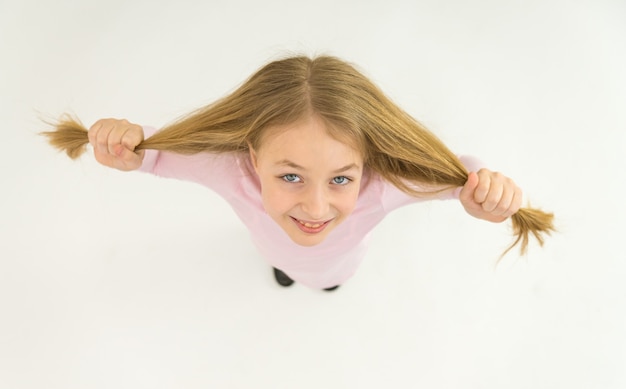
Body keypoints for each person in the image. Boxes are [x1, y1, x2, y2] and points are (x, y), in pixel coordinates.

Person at [43, 55, 554, 291]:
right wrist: (125, 146)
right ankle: (286, 273)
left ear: (367, 164)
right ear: (252, 156)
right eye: (290, 176)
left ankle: (326, 285)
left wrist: (483, 190)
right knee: (284, 267)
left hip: (344, 263)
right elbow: (153, 153)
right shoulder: (226, 168)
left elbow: (457, 178)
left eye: (340, 179)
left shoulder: (388, 184)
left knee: (330, 278)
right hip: (272, 250)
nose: (314, 208)